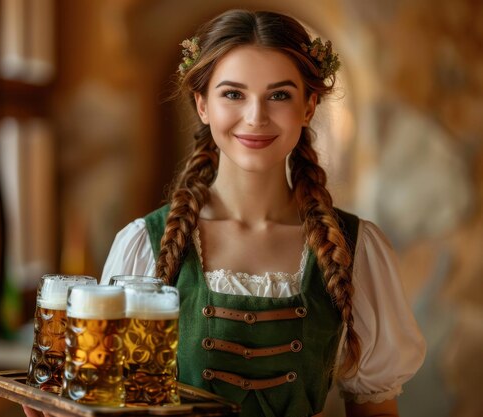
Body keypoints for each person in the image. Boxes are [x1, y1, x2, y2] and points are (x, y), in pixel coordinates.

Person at [25, 8, 425, 417]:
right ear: (202, 105)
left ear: (308, 107)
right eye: (233, 94)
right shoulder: (143, 245)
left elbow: (376, 408)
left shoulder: (356, 249)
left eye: (280, 95)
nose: (255, 117)